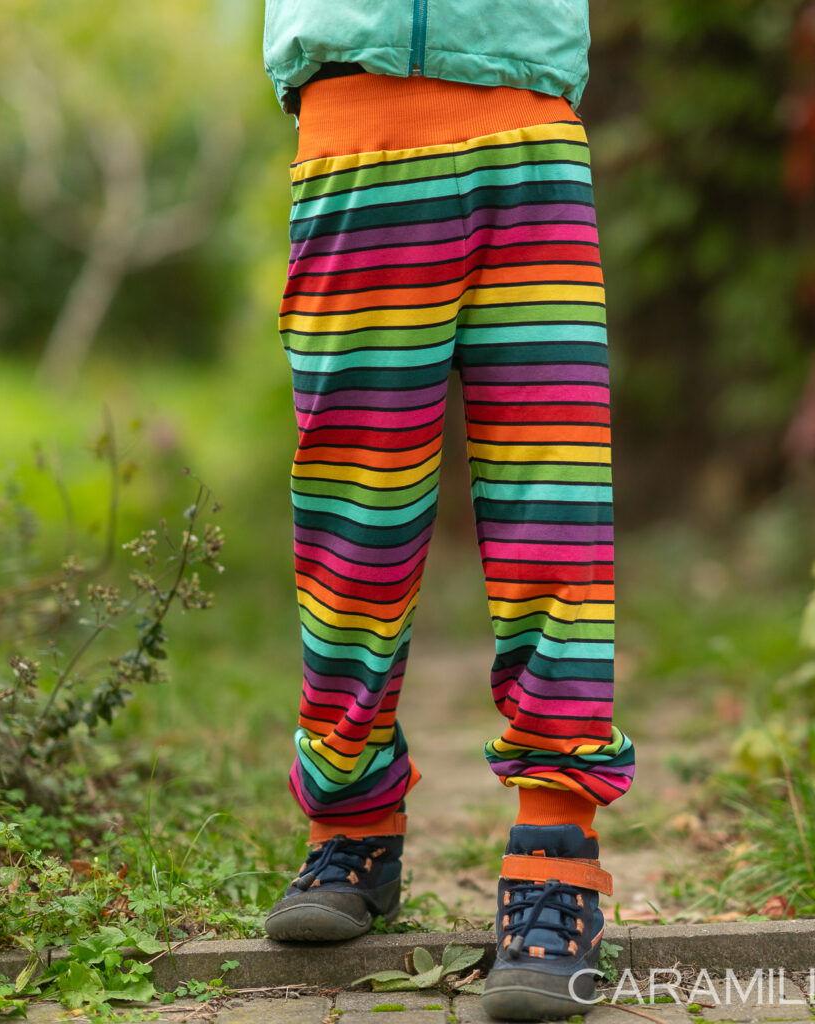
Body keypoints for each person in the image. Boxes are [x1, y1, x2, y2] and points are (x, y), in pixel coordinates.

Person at [261, 2, 636, 1018]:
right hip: (354, 130)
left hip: (530, 125)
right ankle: (350, 818)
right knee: (356, 517)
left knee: (555, 504)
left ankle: (556, 847)